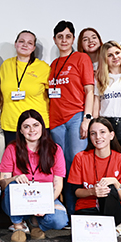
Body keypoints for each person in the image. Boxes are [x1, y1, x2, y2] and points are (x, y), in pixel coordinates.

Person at [0, 109, 68, 242]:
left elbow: (58, 184)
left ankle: (34, 223)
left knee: (60, 220)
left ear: (42, 127)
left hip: (43, 197)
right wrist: (14, 178)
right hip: (18, 201)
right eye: (26, 126)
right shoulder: (12, 149)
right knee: (12, 185)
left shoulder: (55, 149)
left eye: (36, 125)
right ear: (20, 130)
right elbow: (2, 184)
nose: (32, 130)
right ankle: (18, 226)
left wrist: (45, 204)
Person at [48, 21, 95, 210]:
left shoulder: (81, 58)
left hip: (76, 117)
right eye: (60, 37)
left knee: (76, 165)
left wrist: (87, 119)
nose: (64, 40)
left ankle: (80, 209)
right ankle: (68, 211)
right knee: (62, 167)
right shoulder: (53, 64)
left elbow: (89, 91)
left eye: (68, 36)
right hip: (55, 121)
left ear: (73, 39)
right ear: (54, 40)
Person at [68, 117, 121, 236]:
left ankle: (116, 225)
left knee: (109, 188)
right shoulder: (80, 158)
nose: (98, 137)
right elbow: (76, 192)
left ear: (111, 135)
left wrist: (115, 182)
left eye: (102, 132)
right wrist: (92, 191)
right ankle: (108, 229)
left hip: (114, 211)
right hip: (87, 208)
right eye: (93, 133)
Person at [0, 30, 50, 147]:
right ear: (16, 44)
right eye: (21, 41)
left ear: (34, 48)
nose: (25, 45)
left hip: (36, 126)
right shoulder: (6, 65)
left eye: (29, 43)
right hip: (11, 124)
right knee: (14, 158)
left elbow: (53, 94)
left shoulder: (43, 68)